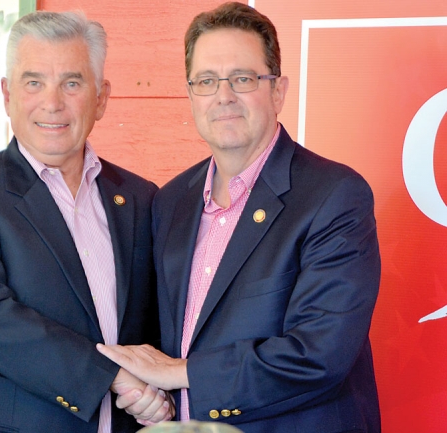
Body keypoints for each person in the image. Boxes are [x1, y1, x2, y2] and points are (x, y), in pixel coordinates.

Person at [97, 3, 381, 432]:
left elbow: (320, 354)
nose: (223, 96)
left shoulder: (334, 195)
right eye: (207, 81)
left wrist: (181, 373)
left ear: (278, 91)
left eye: (243, 79)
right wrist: (147, 392)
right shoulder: (171, 201)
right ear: (192, 94)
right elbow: (161, 338)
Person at [0, 11, 172, 433]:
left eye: (72, 83)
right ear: (7, 95)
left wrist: (165, 388)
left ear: (101, 97)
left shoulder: (140, 197)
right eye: (33, 82)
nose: (52, 102)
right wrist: (110, 374)